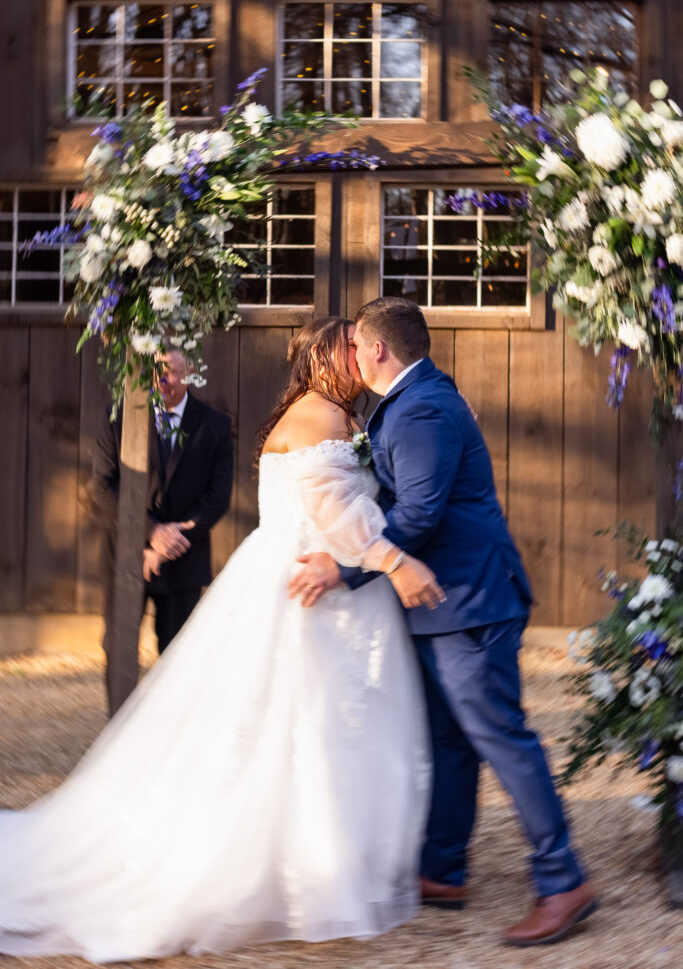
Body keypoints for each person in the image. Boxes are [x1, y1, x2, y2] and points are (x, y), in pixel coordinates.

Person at [0, 317, 437, 962]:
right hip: (306, 590)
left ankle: (315, 857)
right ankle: (298, 869)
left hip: (314, 583)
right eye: (347, 348)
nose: (357, 358)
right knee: (302, 723)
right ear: (324, 358)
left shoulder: (327, 413)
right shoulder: (319, 417)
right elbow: (336, 516)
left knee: (310, 727)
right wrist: (392, 558)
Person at [290, 297, 597, 947]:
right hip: (440, 605)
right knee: (449, 740)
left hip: (468, 600)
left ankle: (562, 878)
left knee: (500, 737)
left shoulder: (423, 405)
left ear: (375, 350)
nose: (348, 356)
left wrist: (345, 570)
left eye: (354, 346)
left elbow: (421, 513)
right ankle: (443, 868)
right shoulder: (414, 398)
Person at [94, 348, 234, 712]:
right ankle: (118, 731)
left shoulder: (214, 425)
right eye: (157, 372)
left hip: (183, 560)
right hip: (126, 556)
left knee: (178, 654)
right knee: (118, 647)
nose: (163, 381)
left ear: (190, 374)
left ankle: (170, 737)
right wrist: (148, 534)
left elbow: (217, 498)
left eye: (171, 373)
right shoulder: (120, 416)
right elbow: (103, 487)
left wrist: (167, 543)